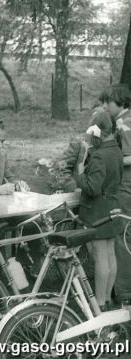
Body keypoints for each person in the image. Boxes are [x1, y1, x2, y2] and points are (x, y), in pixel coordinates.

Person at [77, 111, 123, 311]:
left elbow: (92, 188)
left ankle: (99, 302)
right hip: (113, 207)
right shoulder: (117, 151)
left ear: (97, 133)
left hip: (97, 212)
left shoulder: (98, 156)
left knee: (100, 256)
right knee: (110, 254)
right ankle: (107, 299)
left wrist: (80, 175)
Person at [102, 84, 131, 304]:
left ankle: (123, 293)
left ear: (119, 103)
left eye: (108, 102)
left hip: (125, 187)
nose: (105, 106)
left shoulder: (124, 124)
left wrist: (108, 160)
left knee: (122, 236)